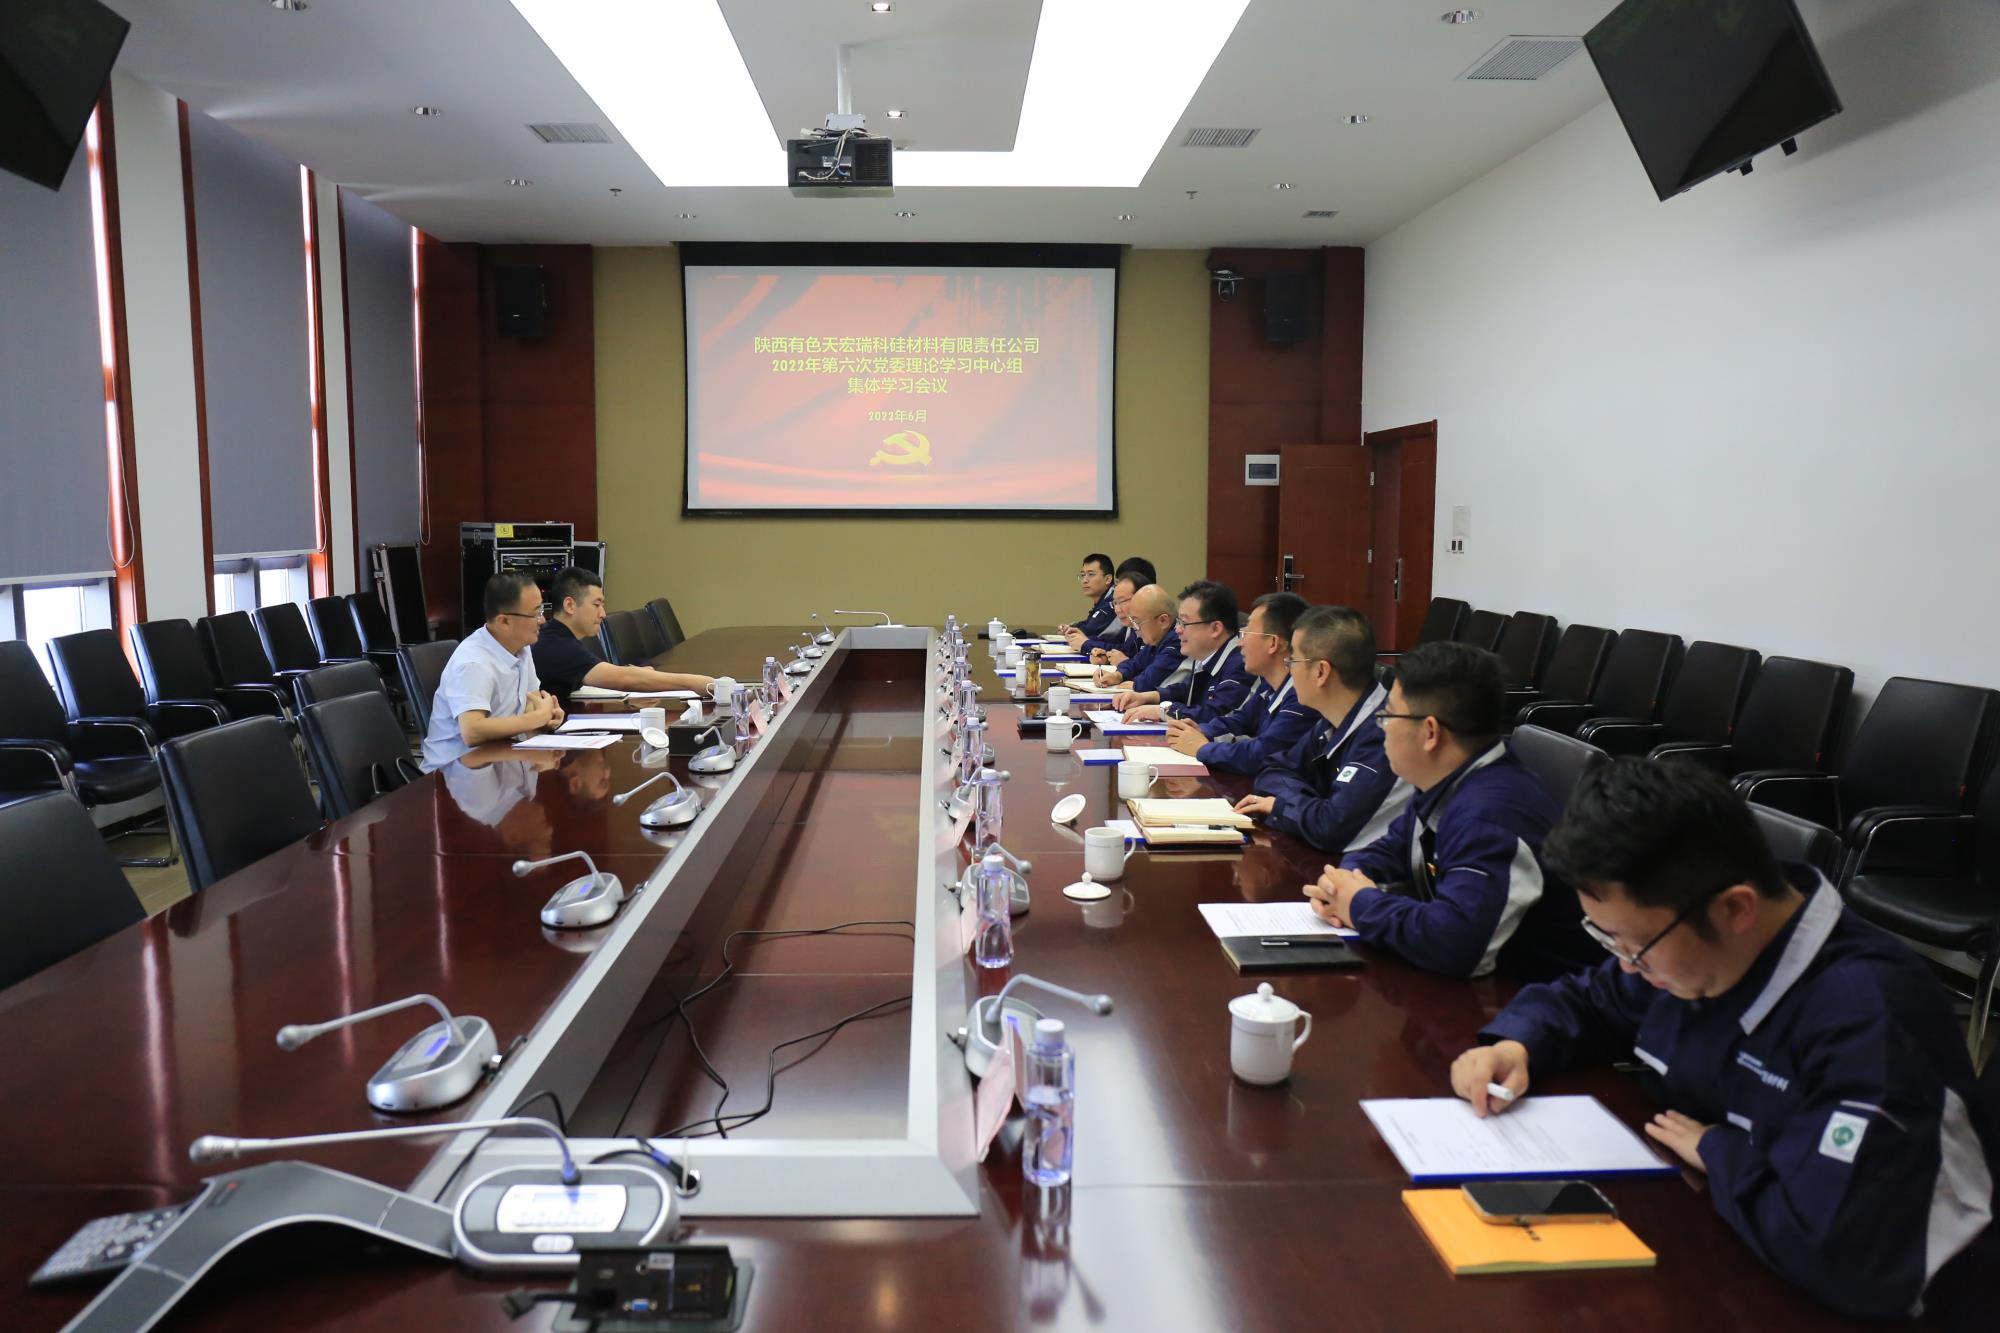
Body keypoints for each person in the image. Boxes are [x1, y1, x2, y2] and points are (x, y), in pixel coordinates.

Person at [1448, 759, 1998, 1325]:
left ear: (1735, 908)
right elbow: (1590, 999)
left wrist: (1719, 1151)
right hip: (1724, 1248)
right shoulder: (1695, 952)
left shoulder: (1871, 1019)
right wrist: (1516, 1045)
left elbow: (1842, 1253)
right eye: (1611, 942)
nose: (1629, 966)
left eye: (1635, 946)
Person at [1305, 640, 1583, 978]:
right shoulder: (1448, 781)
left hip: (1527, 992)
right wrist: (1343, 884)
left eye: (1388, 715)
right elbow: (1389, 849)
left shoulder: (1492, 815)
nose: (1382, 727)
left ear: (1429, 732)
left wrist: (1360, 904)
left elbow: (1455, 943)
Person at [1234, 606, 1407, 853]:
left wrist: (1281, 806)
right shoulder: (1333, 718)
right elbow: (1273, 768)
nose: (1289, 669)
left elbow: (1331, 827)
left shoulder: (1384, 734)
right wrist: (1305, 804)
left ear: (1321, 672)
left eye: (1293, 661)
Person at [420, 572, 564, 772]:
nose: (542, 620)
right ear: (503, 621)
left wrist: (547, 718)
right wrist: (537, 718)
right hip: (454, 774)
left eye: (541, 609)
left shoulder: (521, 646)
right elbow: (472, 731)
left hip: (500, 759)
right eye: (535, 614)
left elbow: (531, 705)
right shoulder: (474, 662)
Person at [1161, 592, 1314, 774]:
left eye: (1246, 633)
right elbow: (1239, 721)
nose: (1240, 643)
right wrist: (1201, 731)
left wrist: (1202, 748)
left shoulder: (1302, 696)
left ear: (1273, 643)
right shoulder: (1270, 685)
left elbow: (1262, 754)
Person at [532, 566, 715, 705]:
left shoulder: (559, 637)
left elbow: (606, 675)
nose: (603, 614)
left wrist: (635, 676)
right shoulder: (557, 645)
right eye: (596, 605)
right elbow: (622, 679)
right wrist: (693, 682)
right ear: (570, 605)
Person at [1116, 580, 1250, 724]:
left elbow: (1214, 715)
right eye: (1179, 622)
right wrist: (1149, 697)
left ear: (1215, 629)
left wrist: (1163, 712)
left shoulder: (1241, 664)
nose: (1178, 629)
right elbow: (1187, 690)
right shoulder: (1205, 656)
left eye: (1184, 623)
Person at [1092, 584, 1182, 694]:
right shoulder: (1157, 638)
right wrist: (1118, 675)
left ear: (1163, 621)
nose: (1135, 628)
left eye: (1137, 622)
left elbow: (1151, 679)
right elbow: (1136, 663)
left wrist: (1136, 684)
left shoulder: (1178, 640)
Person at [1057, 553, 1117, 644]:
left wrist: (1070, 630)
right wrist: (1070, 627)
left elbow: (1089, 631)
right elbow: (1090, 624)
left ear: (1108, 579)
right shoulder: (1103, 600)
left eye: (1091, 574)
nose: (1085, 580)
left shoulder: (1114, 600)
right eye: (1082, 575)